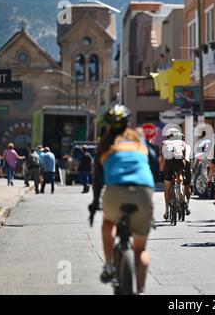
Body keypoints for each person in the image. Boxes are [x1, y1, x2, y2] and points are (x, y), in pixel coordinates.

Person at [88, 104, 154, 294]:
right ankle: (139, 289)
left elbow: (98, 181)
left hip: (115, 192)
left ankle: (109, 265)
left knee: (108, 222)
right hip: (143, 193)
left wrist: (94, 204)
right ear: (128, 123)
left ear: (108, 126)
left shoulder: (105, 145)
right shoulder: (139, 139)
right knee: (140, 250)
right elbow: (154, 161)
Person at [159, 128, 187, 220]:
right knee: (179, 176)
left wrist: (162, 169)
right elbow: (185, 158)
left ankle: (167, 211)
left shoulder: (164, 143)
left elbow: (162, 159)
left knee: (167, 186)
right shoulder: (182, 143)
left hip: (169, 163)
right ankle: (181, 190)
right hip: (179, 162)